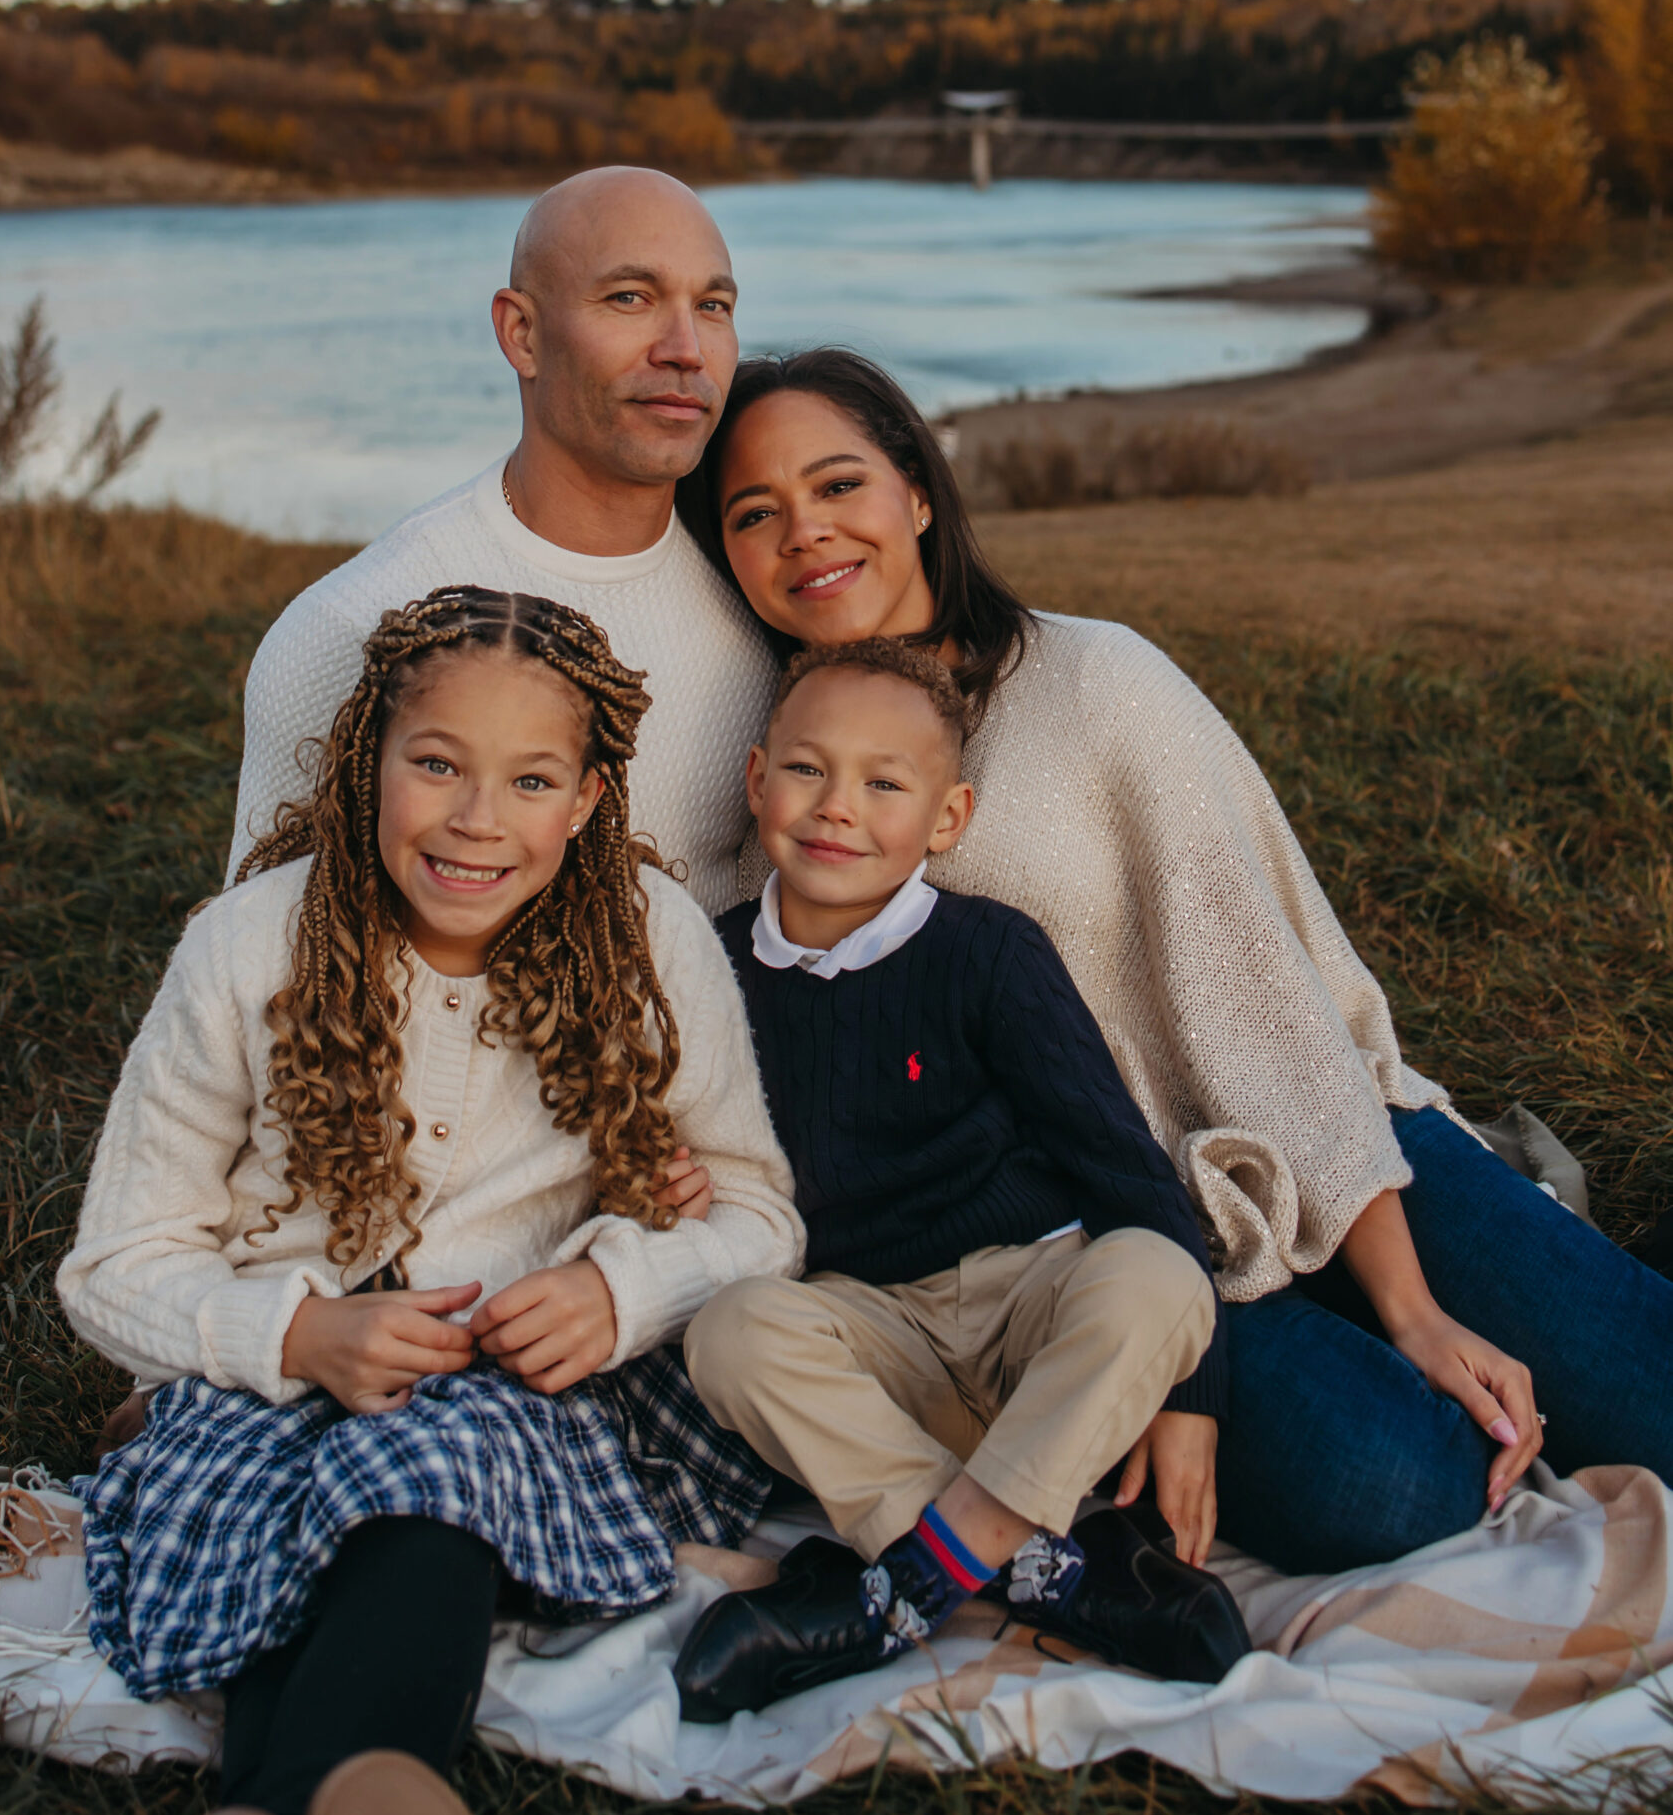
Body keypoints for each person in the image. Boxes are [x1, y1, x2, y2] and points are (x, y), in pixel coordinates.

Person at [676, 347, 1673, 1578]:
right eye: (754, 513)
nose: (806, 535)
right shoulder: (787, 780)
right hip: (1090, 1246)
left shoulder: (1097, 680)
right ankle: (1315, 1347)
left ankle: (1433, 1268)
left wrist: (1413, 1306)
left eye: (838, 485)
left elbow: (1265, 1000)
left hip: (1313, 1144)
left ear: (918, 492)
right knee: (1396, 1485)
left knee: (1647, 1392)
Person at [58, 586, 801, 1815]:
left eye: (529, 781)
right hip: (266, 1382)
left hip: (514, 1391)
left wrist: (616, 1287)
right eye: (438, 765)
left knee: (426, 1480)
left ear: (584, 803)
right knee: (305, 1511)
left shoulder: (651, 943)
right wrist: (288, 1335)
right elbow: (112, 1262)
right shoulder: (244, 947)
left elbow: (756, 1210)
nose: (475, 820)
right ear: (366, 762)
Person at [674, 640, 1250, 1721]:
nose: (838, 806)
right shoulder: (711, 969)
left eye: (885, 783)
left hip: (1026, 1307)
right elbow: (700, 1147)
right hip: (874, 1333)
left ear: (947, 818)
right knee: (734, 1330)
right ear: (757, 780)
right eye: (808, 770)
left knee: (1156, 1274)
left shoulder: (989, 953)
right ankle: (1040, 1564)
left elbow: (1125, 1168)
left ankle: (915, 1579)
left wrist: (1190, 1394)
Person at [229, 165, 775, 914]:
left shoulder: (767, 604)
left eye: (712, 305)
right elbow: (260, 966)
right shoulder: (353, 624)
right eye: (629, 298)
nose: (686, 348)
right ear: (522, 334)